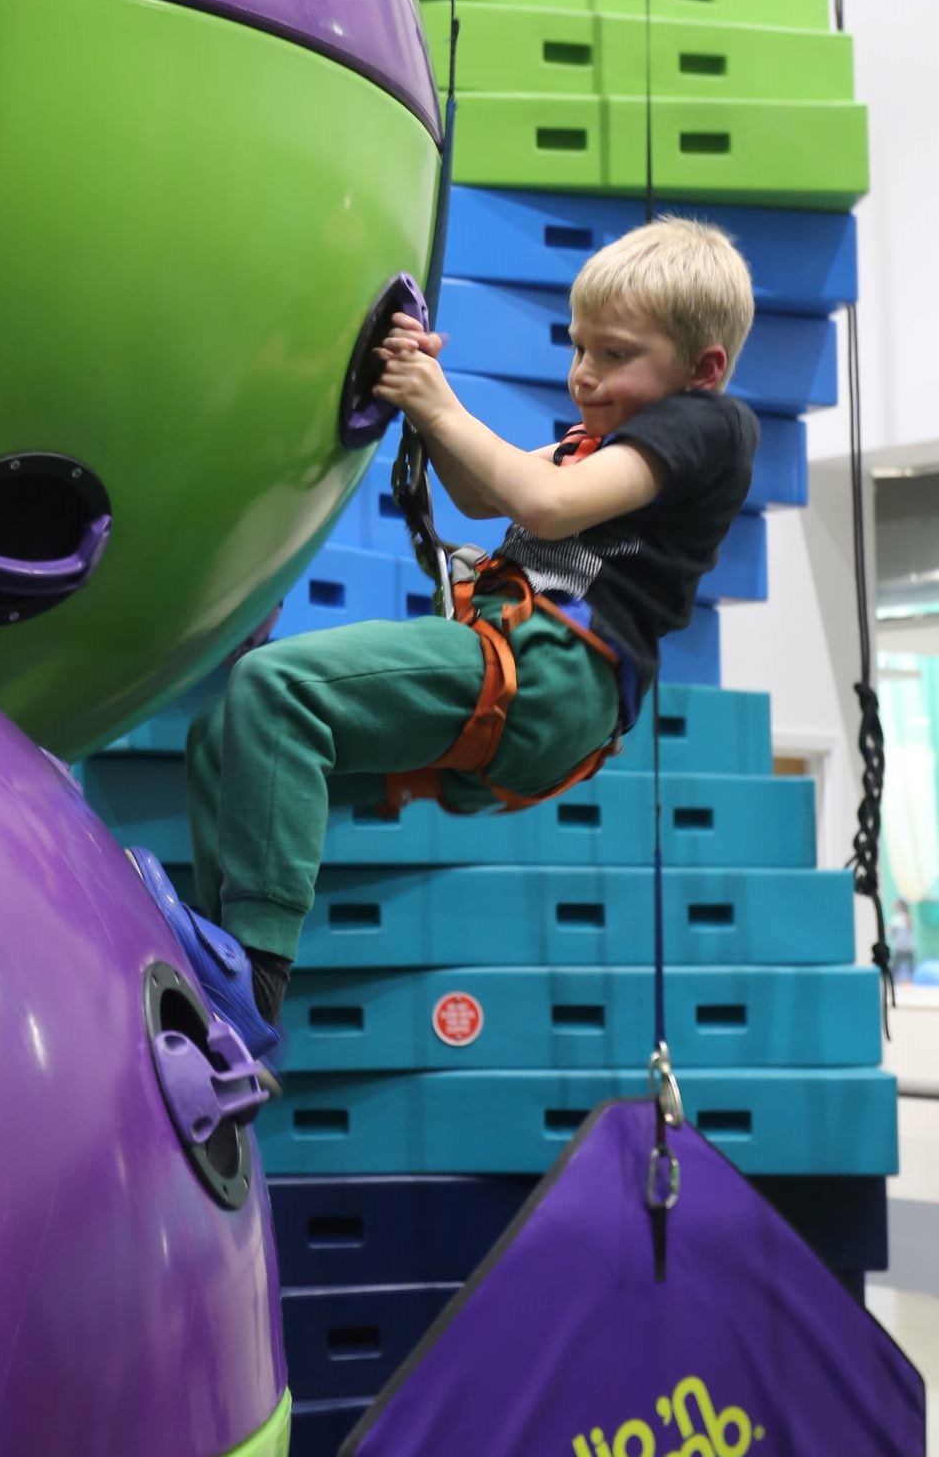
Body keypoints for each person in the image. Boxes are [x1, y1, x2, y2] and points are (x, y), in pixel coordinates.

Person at [131, 217, 759, 1064]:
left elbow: (543, 505)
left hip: (555, 672)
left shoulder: (706, 427)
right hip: (519, 666)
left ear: (702, 368)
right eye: (578, 349)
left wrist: (439, 403)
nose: (583, 376)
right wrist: (423, 397)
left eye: (613, 355)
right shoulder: (595, 439)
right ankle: (227, 988)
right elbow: (478, 495)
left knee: (276, 691)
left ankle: (254, 978)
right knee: (227, 745)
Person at [887, 899, 915, 984]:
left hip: (901, 948)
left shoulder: (898, 919)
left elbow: (891, 932)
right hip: (909, 947)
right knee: (910, 968)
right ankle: (910, 981)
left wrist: (888, 931)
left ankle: (890, 982)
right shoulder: (907, 917)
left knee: (895, 967)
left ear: (899, 907)